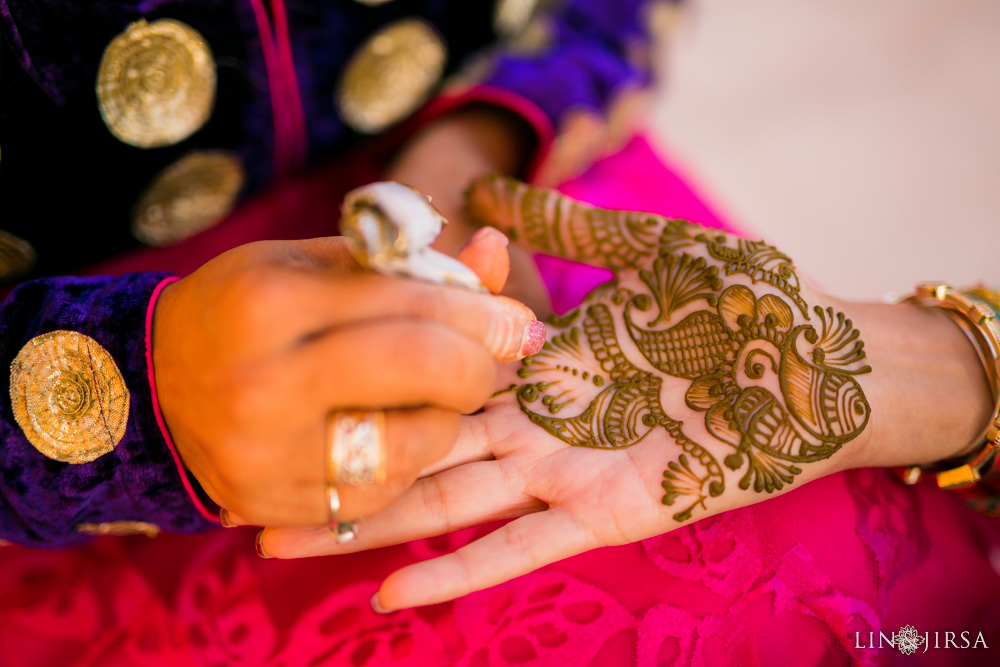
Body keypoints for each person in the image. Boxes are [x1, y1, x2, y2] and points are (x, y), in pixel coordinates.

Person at [2, 3, 999, 666]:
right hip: (82, 390)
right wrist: (129, 397)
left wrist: (953, 361)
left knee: (859, 564)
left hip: (504, 178)